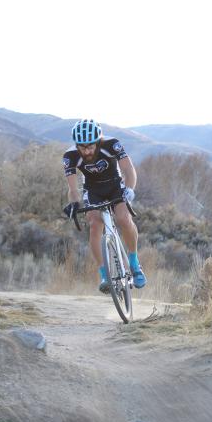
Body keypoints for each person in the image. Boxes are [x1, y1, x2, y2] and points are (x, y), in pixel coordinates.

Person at [62, 118, 147, 293]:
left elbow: (129, 170)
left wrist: (130, 189)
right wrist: (74, 203)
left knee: (123, 219)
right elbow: (72, 188)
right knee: (94, 224)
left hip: (115, 185)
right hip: (93, 190)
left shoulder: (111, 144)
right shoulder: (70, 156)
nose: (86, 151)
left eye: (90, 146)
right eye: (82, 147)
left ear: (98, 141)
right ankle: (104, 274)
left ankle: (134, 262)